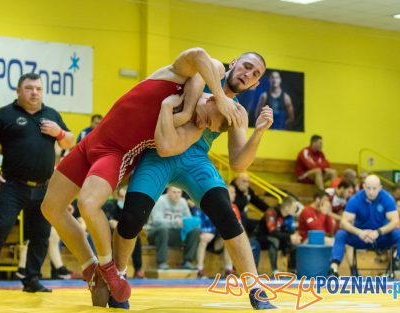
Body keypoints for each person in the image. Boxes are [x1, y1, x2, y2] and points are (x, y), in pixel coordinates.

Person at [41, 47, 242, 307]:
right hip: (91, 140)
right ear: (212, 99)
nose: (203, 124)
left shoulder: (191, 128)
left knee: (88, 204)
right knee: (50, 207)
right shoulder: (180, 77)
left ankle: (109, 269)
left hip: (116, 153)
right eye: (207, 119)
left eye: (209, 127)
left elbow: (166, 148)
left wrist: (176, 114)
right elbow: (202, 56)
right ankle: (90, 266)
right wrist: (202, 103)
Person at [113, 51, 277, 310]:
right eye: (246, 66)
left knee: (227, 215)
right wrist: (215, 99)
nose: (248, 75)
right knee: (131, 218)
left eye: (255, 75)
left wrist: (259, 133)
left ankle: (256, 289)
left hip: (196, 161)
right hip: (161, 154)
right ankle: (118, 279)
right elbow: (198, 63)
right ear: (233, 63)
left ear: (255, 85)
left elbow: (238, 164)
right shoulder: (203, 80)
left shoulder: (239, 112)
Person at [0, 73, 74, 293]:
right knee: (0, 228)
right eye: (29, 88)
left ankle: (32, 279)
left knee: (41, 235)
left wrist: (60, 132)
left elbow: (69, 141)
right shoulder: (5, 114)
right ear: (18, 91)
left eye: (38, 88)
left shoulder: (51, 114)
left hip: (44, 187)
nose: (34, 92)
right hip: (12, 185)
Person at [328, 175, 400, 277]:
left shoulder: (387, 198)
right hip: (361, 238)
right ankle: (333, 269)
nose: (371, 192)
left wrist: (378, 232)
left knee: (399, 233)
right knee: (341, 234)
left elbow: (395, 222)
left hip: (381, 237)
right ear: (363, 186)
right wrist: (359, 232)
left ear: (380, 187)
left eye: (374, 188)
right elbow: (343, 223)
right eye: (368, 188)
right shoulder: (355, 199)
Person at [147, 186, 200, 270]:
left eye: (179, 192)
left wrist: (190, 223)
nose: (177, 195)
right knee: (163, 228)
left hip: (173, 234)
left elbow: (188, 220)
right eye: (174, 192)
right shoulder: (160, 200)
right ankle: (162, 262)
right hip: (155, 233)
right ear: (168, 191)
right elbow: (156, 221)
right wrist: (176, 223)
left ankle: (187, 261)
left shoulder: (183, 202)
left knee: (195, 230)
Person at [102, 185, 144, 278]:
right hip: (109, 232)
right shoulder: (110, 205)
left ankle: (138, 269)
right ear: (117, 196)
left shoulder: (134, 208)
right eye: (121, 197)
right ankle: (110, 269)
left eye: (126, 197)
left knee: (136, 238)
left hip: (125, 232)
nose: (123, 199)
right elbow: (110, 221)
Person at [256, 197, 300, 275]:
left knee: (294, 244)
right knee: (274, 240)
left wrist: (294, 237)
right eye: (293, 207)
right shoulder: (271, 212)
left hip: (278, 237)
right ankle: (274, 270)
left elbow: (291, 231)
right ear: (286, 208)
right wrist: (289, 237)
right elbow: (272, 231)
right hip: (262, 237)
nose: (295, 209)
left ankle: (294, 270)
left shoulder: (289, 217)